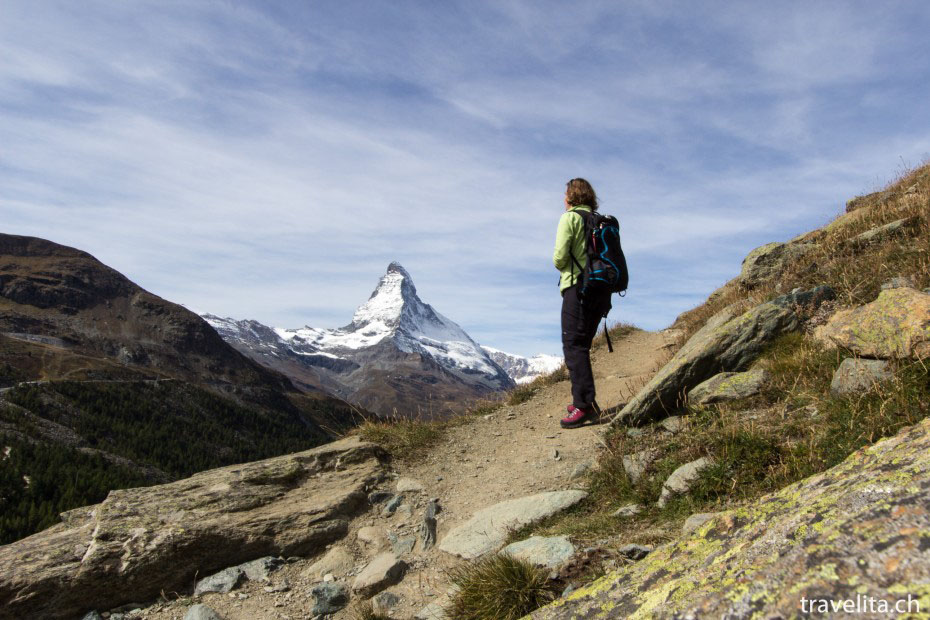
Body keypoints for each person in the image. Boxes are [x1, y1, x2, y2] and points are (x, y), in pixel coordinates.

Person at [553, 178, 612, 429]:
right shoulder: (599, 221)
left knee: (573, 345)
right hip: (602, 288)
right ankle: (586, 400)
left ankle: (584, 405)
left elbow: (559, 257)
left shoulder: (570, 218)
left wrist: (567, 265)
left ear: (570, 197)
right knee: (583, 342)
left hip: (577, 287)